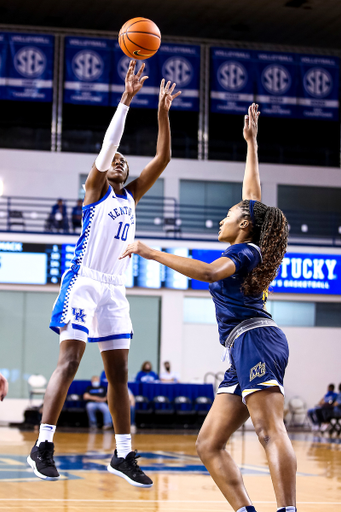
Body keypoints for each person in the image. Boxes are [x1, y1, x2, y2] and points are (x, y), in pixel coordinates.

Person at [121, 104, 297, 512]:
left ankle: (287, 510)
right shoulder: (250, 238)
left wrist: (151, 251)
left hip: (257, 339)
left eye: (228, 215)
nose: (223, 218)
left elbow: (209, 272)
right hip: (241, 347)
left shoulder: (246, 251)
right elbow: (252, 198)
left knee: (269, 431)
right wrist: (251, 144)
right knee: (208, 443)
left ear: (244, 226)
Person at [27, 60, 181, 487]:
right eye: (110, 157)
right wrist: (126, 100)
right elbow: (107, 145)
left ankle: (123, 453)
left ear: (127, 172)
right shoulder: (93, 193)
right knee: (72, 359)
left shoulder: (131, 195)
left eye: (121, 159)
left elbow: (163, 156)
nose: (116, 159)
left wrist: (162, 114)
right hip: (84, 280)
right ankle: (43, 444)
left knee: (119, 375)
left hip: (116, 289)